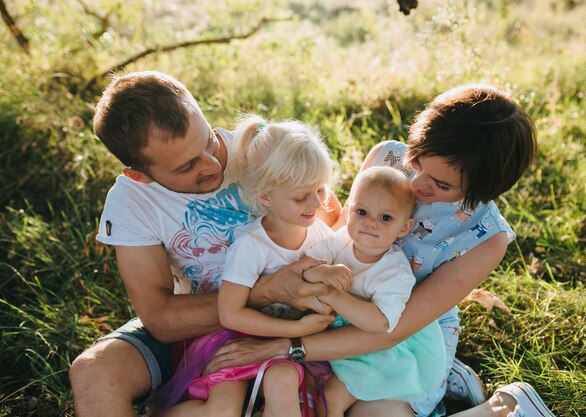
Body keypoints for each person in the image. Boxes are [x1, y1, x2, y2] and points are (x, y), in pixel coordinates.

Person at [202, 85, 556, 417]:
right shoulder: (387, 157)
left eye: (441, 184)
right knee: (301, 399)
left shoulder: (486, 237)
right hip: (340, 304)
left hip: (406, 337)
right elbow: (342, 237)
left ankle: (503, 408)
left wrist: (287, 346)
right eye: (417, 161)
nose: (416, 184)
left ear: (482, 190)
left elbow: (395, 327)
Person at [68, 71, 339, 417]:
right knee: (93, 372)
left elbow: (334, 222)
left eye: (209, 141)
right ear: (140, 175)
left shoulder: (259, 150)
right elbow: (161, 319)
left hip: (299, 319)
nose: (213, 165)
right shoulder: (131, 201)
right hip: (201, 327)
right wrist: (263, 291)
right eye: (188, 165)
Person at [152, 115, 343, 417]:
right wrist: (294, 329)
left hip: (291, 342)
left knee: (293, 392)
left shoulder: (321, 234)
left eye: (320, 190)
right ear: (265, 196)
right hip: (238, 337)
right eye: (300, 196)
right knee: (221, 408)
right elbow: (230, 314)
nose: (316, 204)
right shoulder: (252, 245)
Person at [304, 166, 446, 417]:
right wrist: (322, 274)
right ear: (348, 212)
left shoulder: (394, 272)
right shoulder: (340, 241)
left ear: (404, 228)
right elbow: (306, 268)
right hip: (343, 336)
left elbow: (380, 323)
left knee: (331, 399)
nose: (370, 223)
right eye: (362, 212)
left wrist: (334, 296)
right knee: (311, 388)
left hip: (384, 351)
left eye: (385, 218)